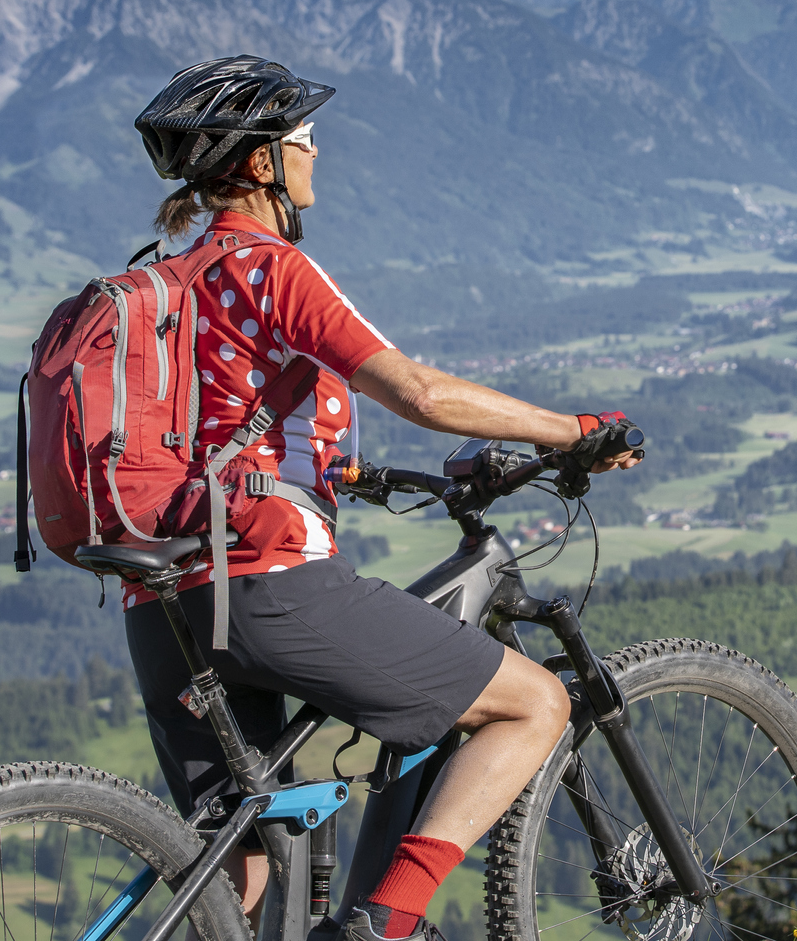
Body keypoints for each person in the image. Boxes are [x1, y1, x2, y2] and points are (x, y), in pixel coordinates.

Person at [126, 56, 642, 941]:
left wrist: (356, 476)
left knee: (237, 883)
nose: (316, 153)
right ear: (261, 165)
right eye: (303, 139)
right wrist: (570, 429)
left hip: (165, 601)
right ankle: (389, 925)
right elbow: (421, 394)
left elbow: (220, 428)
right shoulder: (270, 267)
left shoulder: (164, 279)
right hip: (272, 590)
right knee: (534, 703)